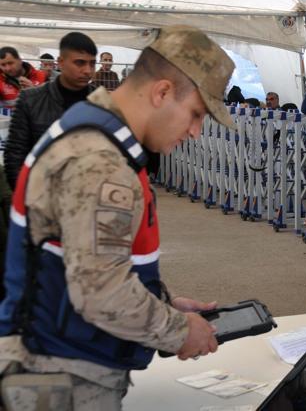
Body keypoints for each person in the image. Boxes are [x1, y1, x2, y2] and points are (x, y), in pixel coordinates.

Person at [0, 25, 232, 409]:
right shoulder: (101, 162)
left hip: (63, 360)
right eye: (196, 114)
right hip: (60, 375)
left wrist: (163, 302)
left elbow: (90, 259)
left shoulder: (97, 132)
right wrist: (179, 330)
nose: (195, 131)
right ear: (162, 92)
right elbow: (101, 294)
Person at [4, 32, 97, 189]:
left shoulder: (100, 103)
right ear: (61, 62)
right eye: (80, 63)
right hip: (41, 192)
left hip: (87, 194)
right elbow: (15, 154)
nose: (88, 70)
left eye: (92, 64)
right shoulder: (30, 100)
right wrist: (27, 195)